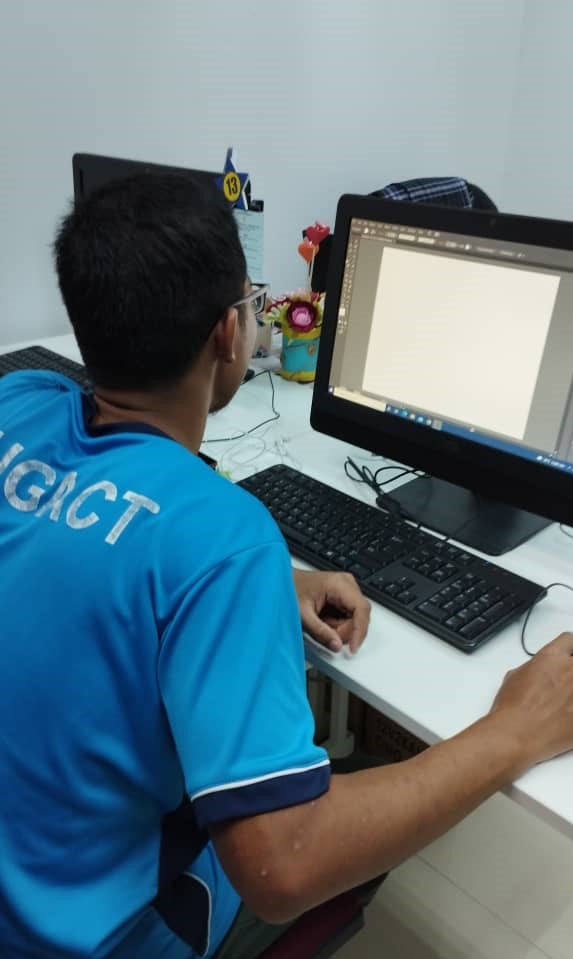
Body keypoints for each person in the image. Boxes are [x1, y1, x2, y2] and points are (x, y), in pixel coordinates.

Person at [1, 173, 573, 959]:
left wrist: (256, 585)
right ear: (228, 333)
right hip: (93, 938)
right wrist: (510, 732)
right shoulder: (221, 538)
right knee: (366, 771)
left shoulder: (19, 398)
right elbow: (282, 863)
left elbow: (86, 541)